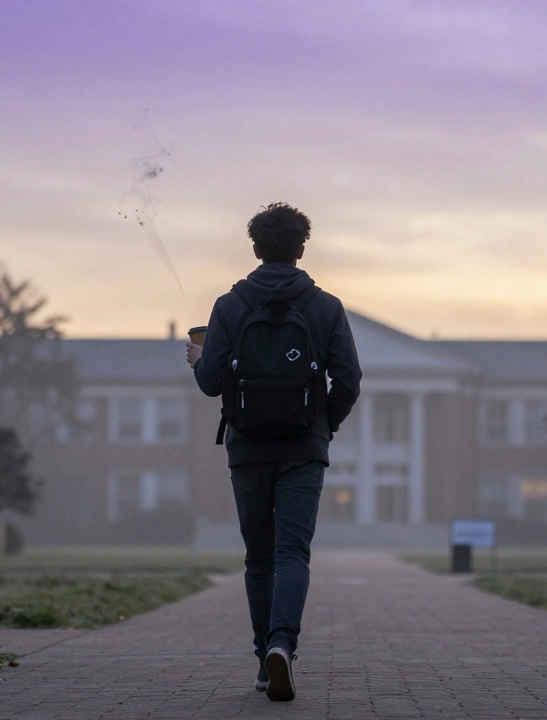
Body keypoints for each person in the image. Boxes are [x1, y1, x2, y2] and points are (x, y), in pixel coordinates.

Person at [187, 202, 361, 702]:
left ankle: (264, 659)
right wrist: (322, 425)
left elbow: (209, 384)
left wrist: (200, 359)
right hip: (303, 448)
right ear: (302, 248)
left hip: (247, 448)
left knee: (258, 557)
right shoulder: (326, 307)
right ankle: (282, 645)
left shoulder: (228, 306)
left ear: (257, 249)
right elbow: (348, 380)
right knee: (292, 554)